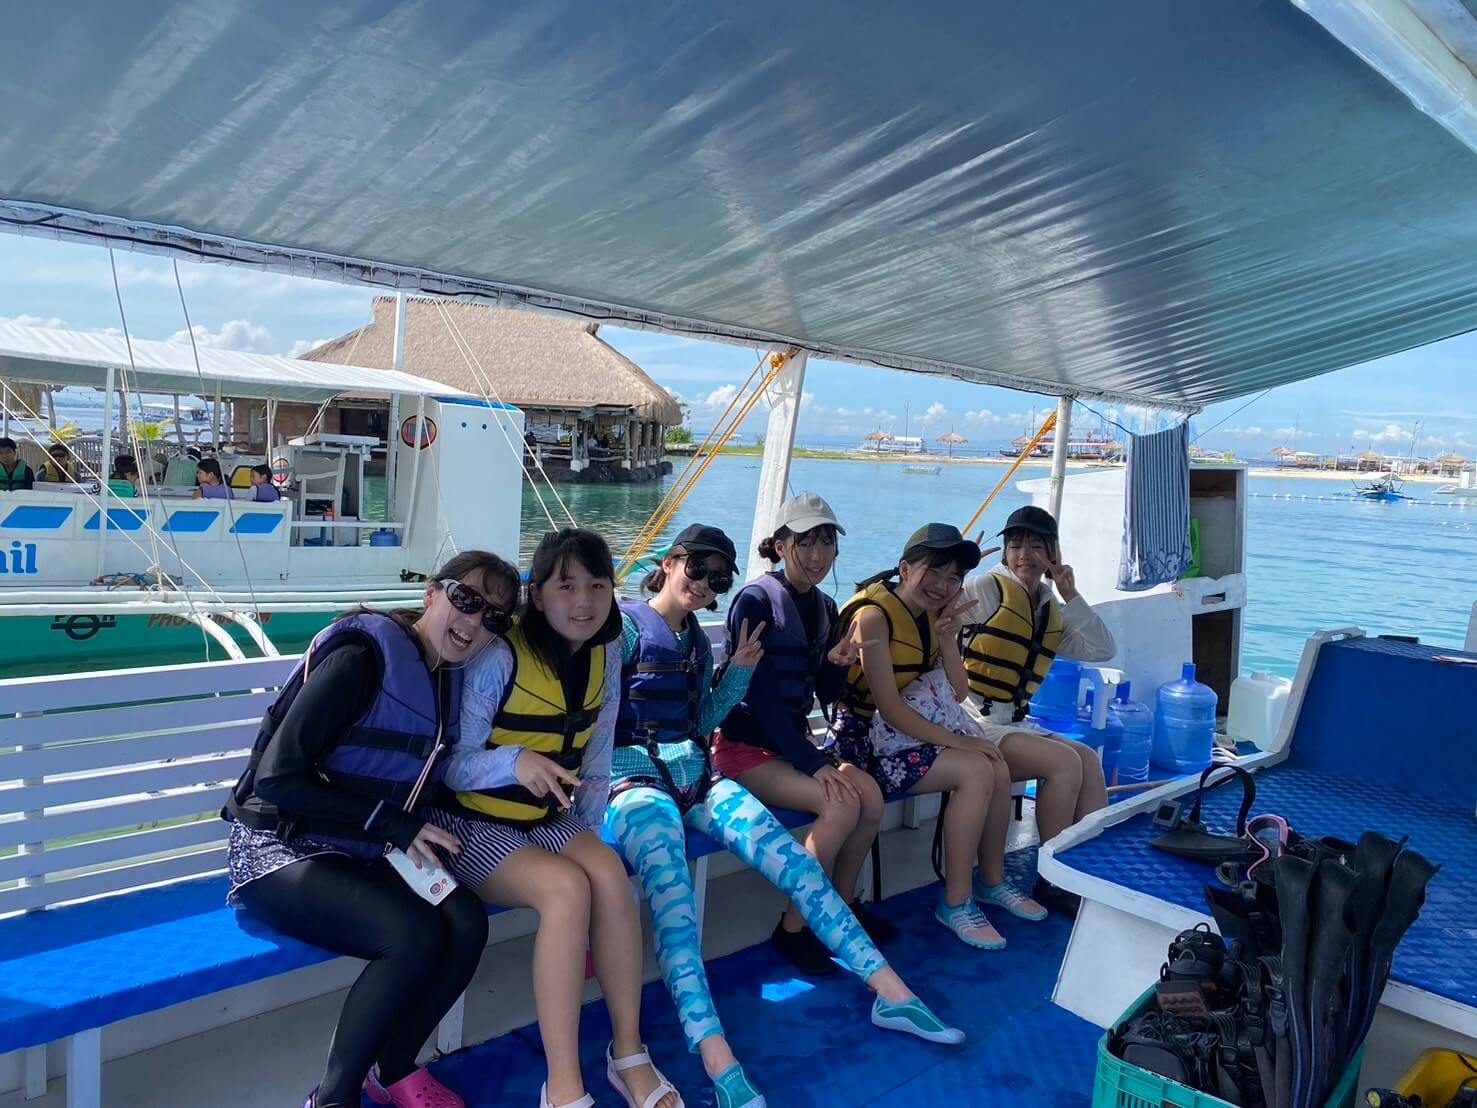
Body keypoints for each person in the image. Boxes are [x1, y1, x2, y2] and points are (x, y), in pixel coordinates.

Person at [605, 523, 964, 1108]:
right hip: (633, 783)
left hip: (697, 777)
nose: (706, 584)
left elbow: (701, 724)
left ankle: (893, 993)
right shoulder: (621, 628)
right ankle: (718, 1060)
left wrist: (739, 673)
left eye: (718, 578)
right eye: (697, 569)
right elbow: (595, 718)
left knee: (796, 865)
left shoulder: (696, 641)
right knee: (674, 901)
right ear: (670, 563)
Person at [223, 549, 520, 1108]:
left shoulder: (442, 678)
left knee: (465, 921)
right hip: (278, 847)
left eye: (494, 617)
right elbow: (276, 779)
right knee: (410, 936)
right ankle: (334, 1099)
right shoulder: (361, 658)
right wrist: (392, 824)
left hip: (363, 844)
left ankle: (394, 1068)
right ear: (432, 594)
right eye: (466, 600)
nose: (476, 621)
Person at [433, 528, 682, 1108]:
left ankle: (628, 1053)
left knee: (611, 878)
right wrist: (514, 761)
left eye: (598, 585)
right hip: (473, 823)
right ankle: (563, 1086)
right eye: (566, 586)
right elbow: (451, 766)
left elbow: (596, 755)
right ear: (538, 594)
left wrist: (587, 833)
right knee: (567, 891)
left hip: (549, 819)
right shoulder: (500, 655)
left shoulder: (608, 652)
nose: (584, 601)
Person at [829, 524, 1045, 951]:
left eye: (953, 577)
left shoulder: (933, 616)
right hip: (862, 742)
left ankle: (990, 881)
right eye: (934, 571)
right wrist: (961, 742)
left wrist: (948, 639)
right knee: (976, 770)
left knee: (996, 765)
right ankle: (956, 902)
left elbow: (959, 691)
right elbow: (888, 707)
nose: (943, 585)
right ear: (905, 568)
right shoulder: (873, 617)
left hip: (906, 735)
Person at [714, 493, 896, 974]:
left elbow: (826, 693)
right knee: (840, 805)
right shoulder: (755, 601)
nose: (817, 555)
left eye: (826, 543)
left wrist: (838, 664)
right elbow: (757, 699)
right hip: (744, 749)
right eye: (805, 542)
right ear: (780, 547)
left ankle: (843, 908)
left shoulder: (825, 607)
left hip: (790, 749)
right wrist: (814, 764)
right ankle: (793, 928)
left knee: (869, 796)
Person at [959, 505, 1116, 916]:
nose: (1024, 554)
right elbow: (938, 620)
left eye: (1035, 545)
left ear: (1053, 553)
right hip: (974, 722)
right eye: (1015, 545)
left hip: (1016, 723)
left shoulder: (1048, 607)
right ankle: (1053, 879)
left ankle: (1085, 871)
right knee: (1065, 763)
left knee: (1088, 760)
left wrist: (1070, 594)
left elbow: (1102, 649)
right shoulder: (986, 589)